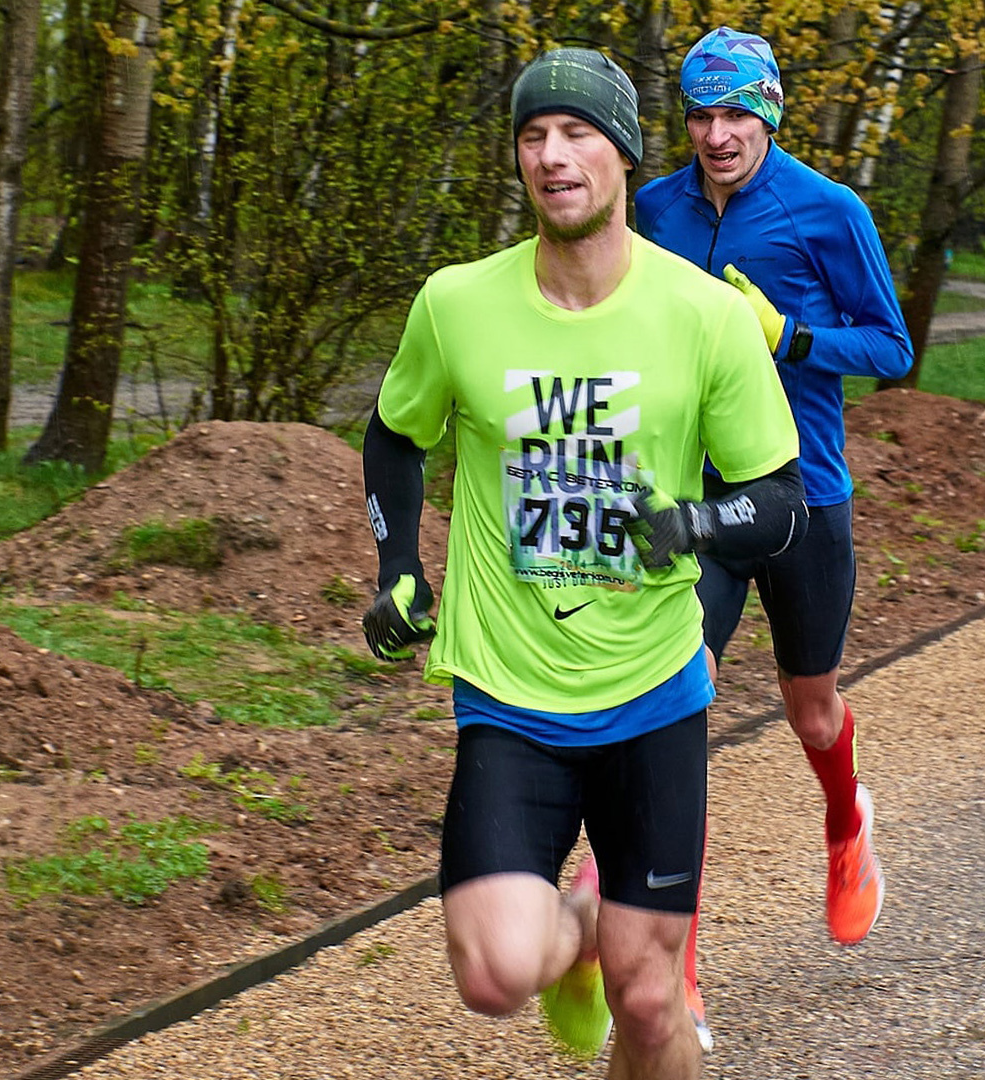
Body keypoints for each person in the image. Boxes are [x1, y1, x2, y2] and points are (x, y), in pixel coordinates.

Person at [360, 48, 806, 1079]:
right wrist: (397, 565)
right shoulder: (457, 304)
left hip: (652, 695)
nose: (554, 157)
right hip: (508, 695)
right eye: (532, 136)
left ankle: (611, 949)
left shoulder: (703, 317)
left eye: (578, 134)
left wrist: (684, 527)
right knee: (492, 975)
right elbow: (393, 435)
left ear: (622, 154)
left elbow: (778, 501)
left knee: (651, 1002)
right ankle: (576, 933)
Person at [634, 24, 913, 1043]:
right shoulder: (652, 208)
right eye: (701, 116)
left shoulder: (828, 211)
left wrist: (785, 336)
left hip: (806, 496)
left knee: (811, 711)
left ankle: (847, 825)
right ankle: (675, 977)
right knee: (669, 724)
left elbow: (893, 345)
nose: (717, 135)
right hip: (698, 504)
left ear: (771, 114)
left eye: (736, 114)